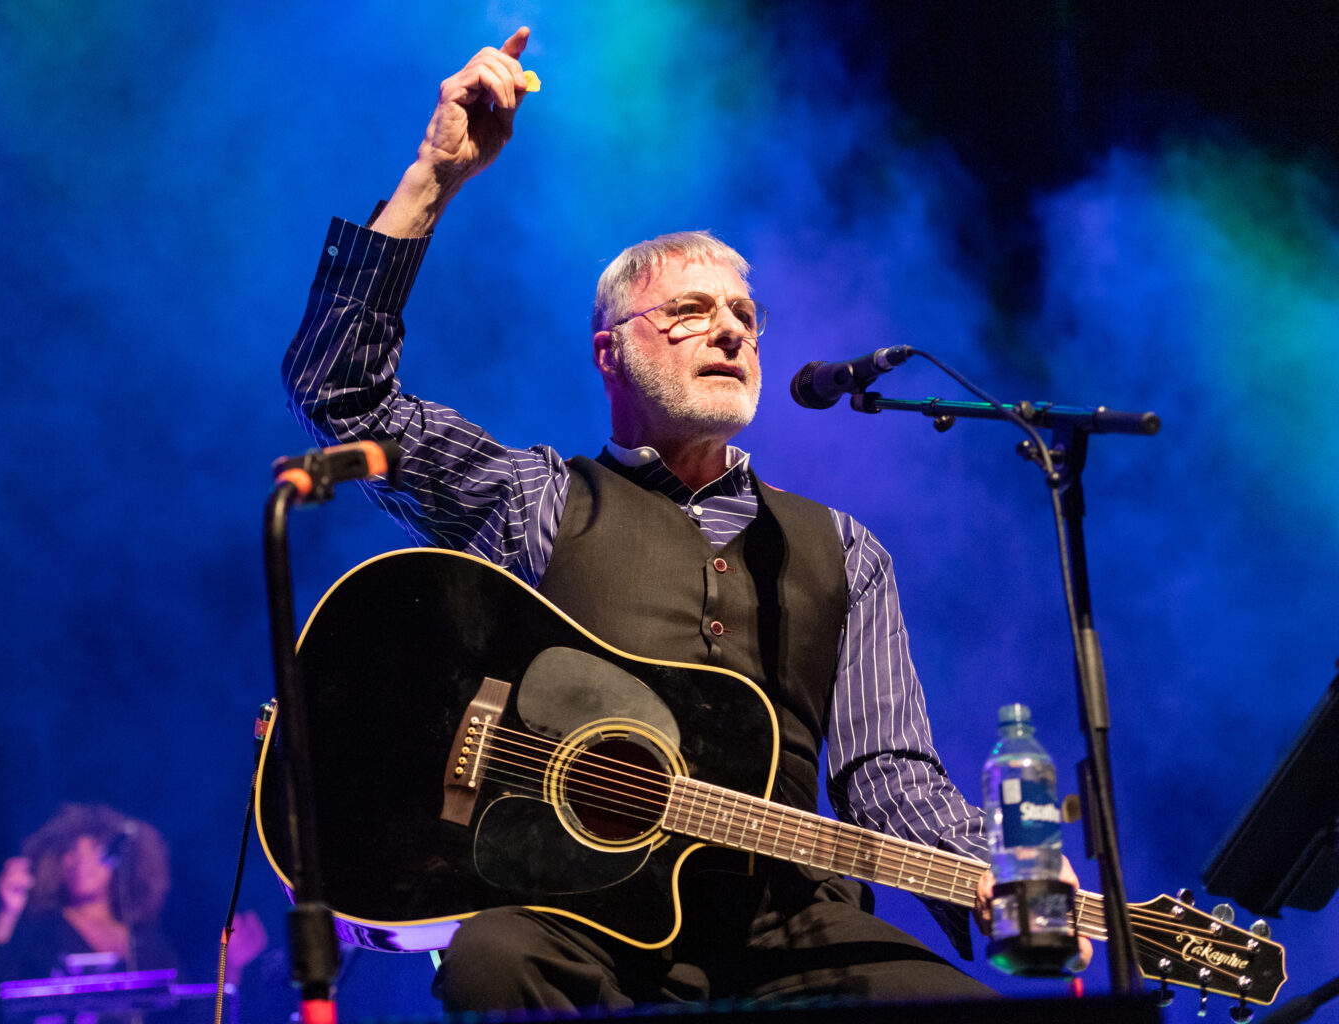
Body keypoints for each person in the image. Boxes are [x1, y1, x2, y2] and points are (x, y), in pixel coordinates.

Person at [281, 27, 1089, 1013]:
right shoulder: (536, 499)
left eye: (745, 315)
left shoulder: (843, 551)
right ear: (608, 353)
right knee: (493, 961)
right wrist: (430, 180)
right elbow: (345, 391)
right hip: (577, 921)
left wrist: (994, 878)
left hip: (798, 925)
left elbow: (892, 782)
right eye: (690, 311)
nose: (732, 328)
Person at [0, 803, 267, 1015]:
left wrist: (231, 968)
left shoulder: (148, 943)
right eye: (71, 850)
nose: (81, 859)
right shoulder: (43, 931)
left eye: (94, 848)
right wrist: (7, 913)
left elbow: (185, 1015)